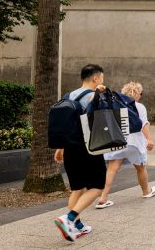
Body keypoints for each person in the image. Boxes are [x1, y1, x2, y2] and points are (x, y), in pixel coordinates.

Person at [53, 63, 108, 241]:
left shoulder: (68, 96)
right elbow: (102, 124)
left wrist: (60, 148)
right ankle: (68, 219)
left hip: (70, 148)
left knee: (77, 188)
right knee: (97, 186)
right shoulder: (94, 96)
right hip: (89, 149)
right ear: (95, 78)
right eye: (102, 77)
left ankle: (76, 226)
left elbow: (65, 125)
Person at [95, 82, 155, 209]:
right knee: (140, 168)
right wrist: (149, 139)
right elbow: (143, 124)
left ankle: (103, 198)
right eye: (140, 93)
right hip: (134, 142)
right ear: (136, 93)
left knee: (112, 169)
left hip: (117, 140)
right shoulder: (138, 106)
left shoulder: (115, 105)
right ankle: (146, 191)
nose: (141, 96)